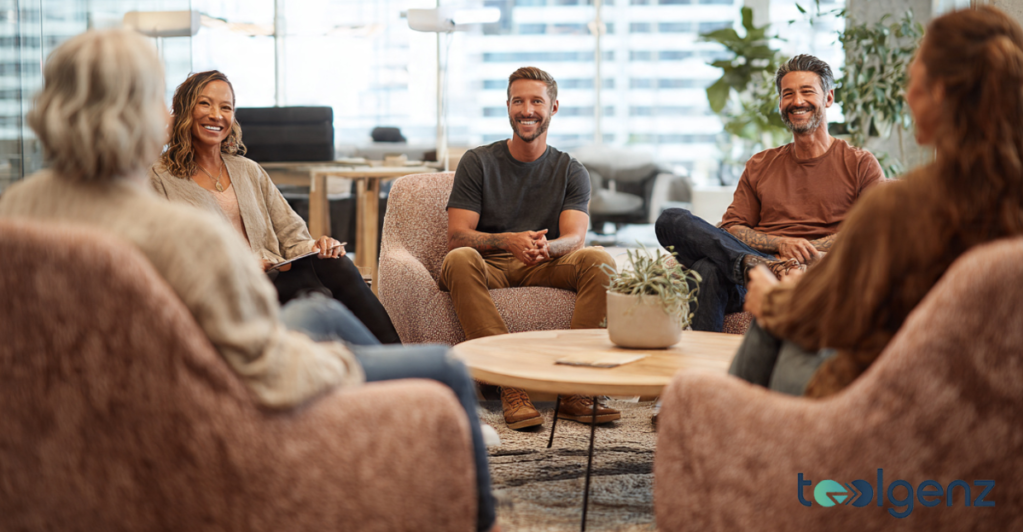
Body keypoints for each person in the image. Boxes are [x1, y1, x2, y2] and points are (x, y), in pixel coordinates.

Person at [0, 29, 498, 532]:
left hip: (92, 411)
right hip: (213, 398)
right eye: (167, 100)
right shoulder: (178, 232)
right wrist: (335, 364)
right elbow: (265, 366)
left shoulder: (17, 216)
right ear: (144, 114)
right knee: (434, 363)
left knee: (324, 292)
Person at [731, 5, 1023, 398]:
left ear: (938, 94)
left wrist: (774, 299)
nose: (905, 94)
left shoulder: (904, 203)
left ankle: (746, 428)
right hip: (977, 404)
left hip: (887, 398)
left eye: (913, 79)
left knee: (768, 329)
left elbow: (832, 307)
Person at [149, 70, 400, 345]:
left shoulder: (248, 170)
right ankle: (391, 364)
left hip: (274, 278)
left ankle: (396, 357)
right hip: (226, 289)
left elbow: (293, 237)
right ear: (184, 110)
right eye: (205, 103)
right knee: (317, 294)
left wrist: (317, 247)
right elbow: (166, 257)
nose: (216, 115)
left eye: (226, 107)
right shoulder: (160, 178)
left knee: (334, 264)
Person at [440, 66, 619, 431]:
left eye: (537, 101)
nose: (527, 110)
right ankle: (511, 385)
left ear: (553, 108)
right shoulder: (478, 162)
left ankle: (576, 388)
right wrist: (508, 240)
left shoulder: (571, 169)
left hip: (542, 261)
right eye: (518, 101)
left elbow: (575, 238)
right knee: (458, 259)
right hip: (486, 265)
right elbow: (457, 236)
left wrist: (548, 249)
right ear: (507, 107)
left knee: (599, 260)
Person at [655, 54, 885, 333]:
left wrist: (803, 252)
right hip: (754, 273)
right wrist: (779, 246)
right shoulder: (761, 164)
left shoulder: (859, 163)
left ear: (828, 98)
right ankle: (752, 266)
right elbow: (732, 228)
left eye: (807, 92)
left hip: (812, 273)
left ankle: (708, 370)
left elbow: (875, 232)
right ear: (780, 103)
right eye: (788, 94)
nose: (797, 101)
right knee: (670, 219)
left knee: (708, 268)